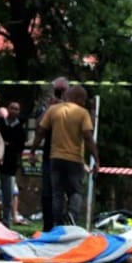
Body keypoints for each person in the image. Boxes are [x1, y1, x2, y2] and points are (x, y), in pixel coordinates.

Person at [30, 85, 100, 226]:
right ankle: (72, 219)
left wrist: (32, 151)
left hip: (55, 158)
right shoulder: (82, 113)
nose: (84, 103)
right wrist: (96, 159)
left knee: (57, 192)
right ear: (78, 98)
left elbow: (40, 131)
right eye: (83, 100)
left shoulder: (53, 110)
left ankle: (58, 223)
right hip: (75, 159)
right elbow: (88, 137)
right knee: (75, 192)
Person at [34, 77, 69, 231]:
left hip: (68, 155)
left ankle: (62, 225)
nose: (59, 94)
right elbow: (38, 127)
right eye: (57, 91)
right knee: (48, 191)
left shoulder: (73, 107)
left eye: (62, 91)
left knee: (65, 191)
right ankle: (48, 225)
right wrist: (49, 109)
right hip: (50, 154)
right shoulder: (46, 107)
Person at [0, 101, 26, 227]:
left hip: (10, 166)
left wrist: (8, 145)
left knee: (8, 196)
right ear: (8, 109)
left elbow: (19, 146)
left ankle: (6, 221)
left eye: (17, 109)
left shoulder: (20, 129)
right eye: (12, 108)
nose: (14, 111)